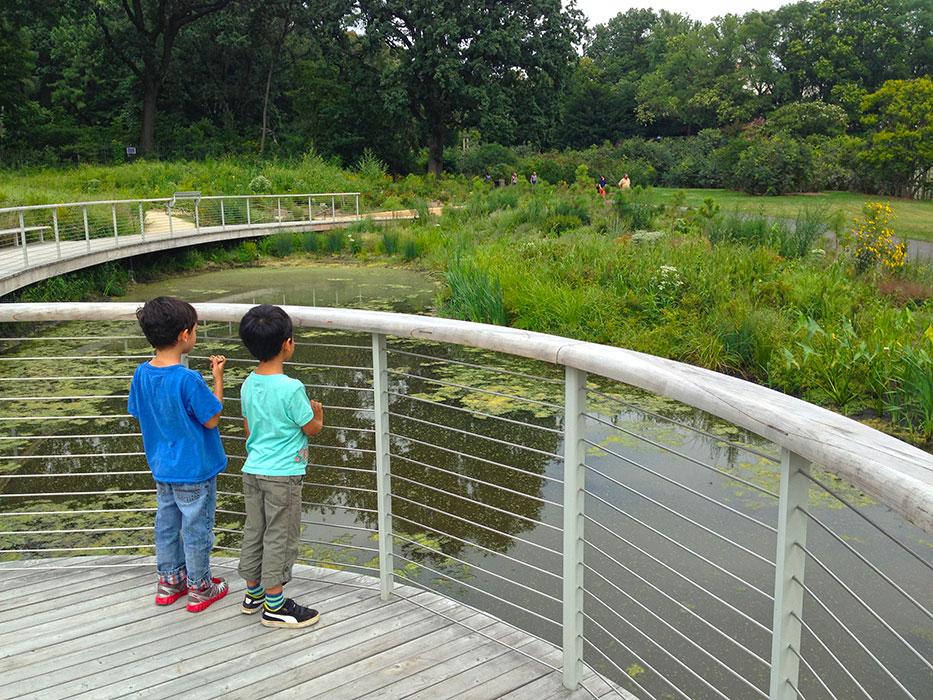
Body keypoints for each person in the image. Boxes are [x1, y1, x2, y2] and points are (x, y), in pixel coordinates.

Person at [128, 296, 229, 613]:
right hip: (195, 470)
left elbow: (137, 411)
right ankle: (201, 586)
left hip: (163, 467)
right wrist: (218, 380)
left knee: (168, 525)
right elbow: (211, 418)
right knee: (197, 528)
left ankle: (169, 581)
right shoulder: (188, 379)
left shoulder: (141, 373)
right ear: (185, 335)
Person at [237, 304, 325, 628]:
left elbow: (249, 430)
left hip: (253, 469)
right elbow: (309, 428)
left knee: (255, 530)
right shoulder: (292, 389)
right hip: (283, 476)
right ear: (287, 344)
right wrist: (318, 417)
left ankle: (253, 593)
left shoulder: (248, 383)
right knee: (280, 536)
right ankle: (275, 604)